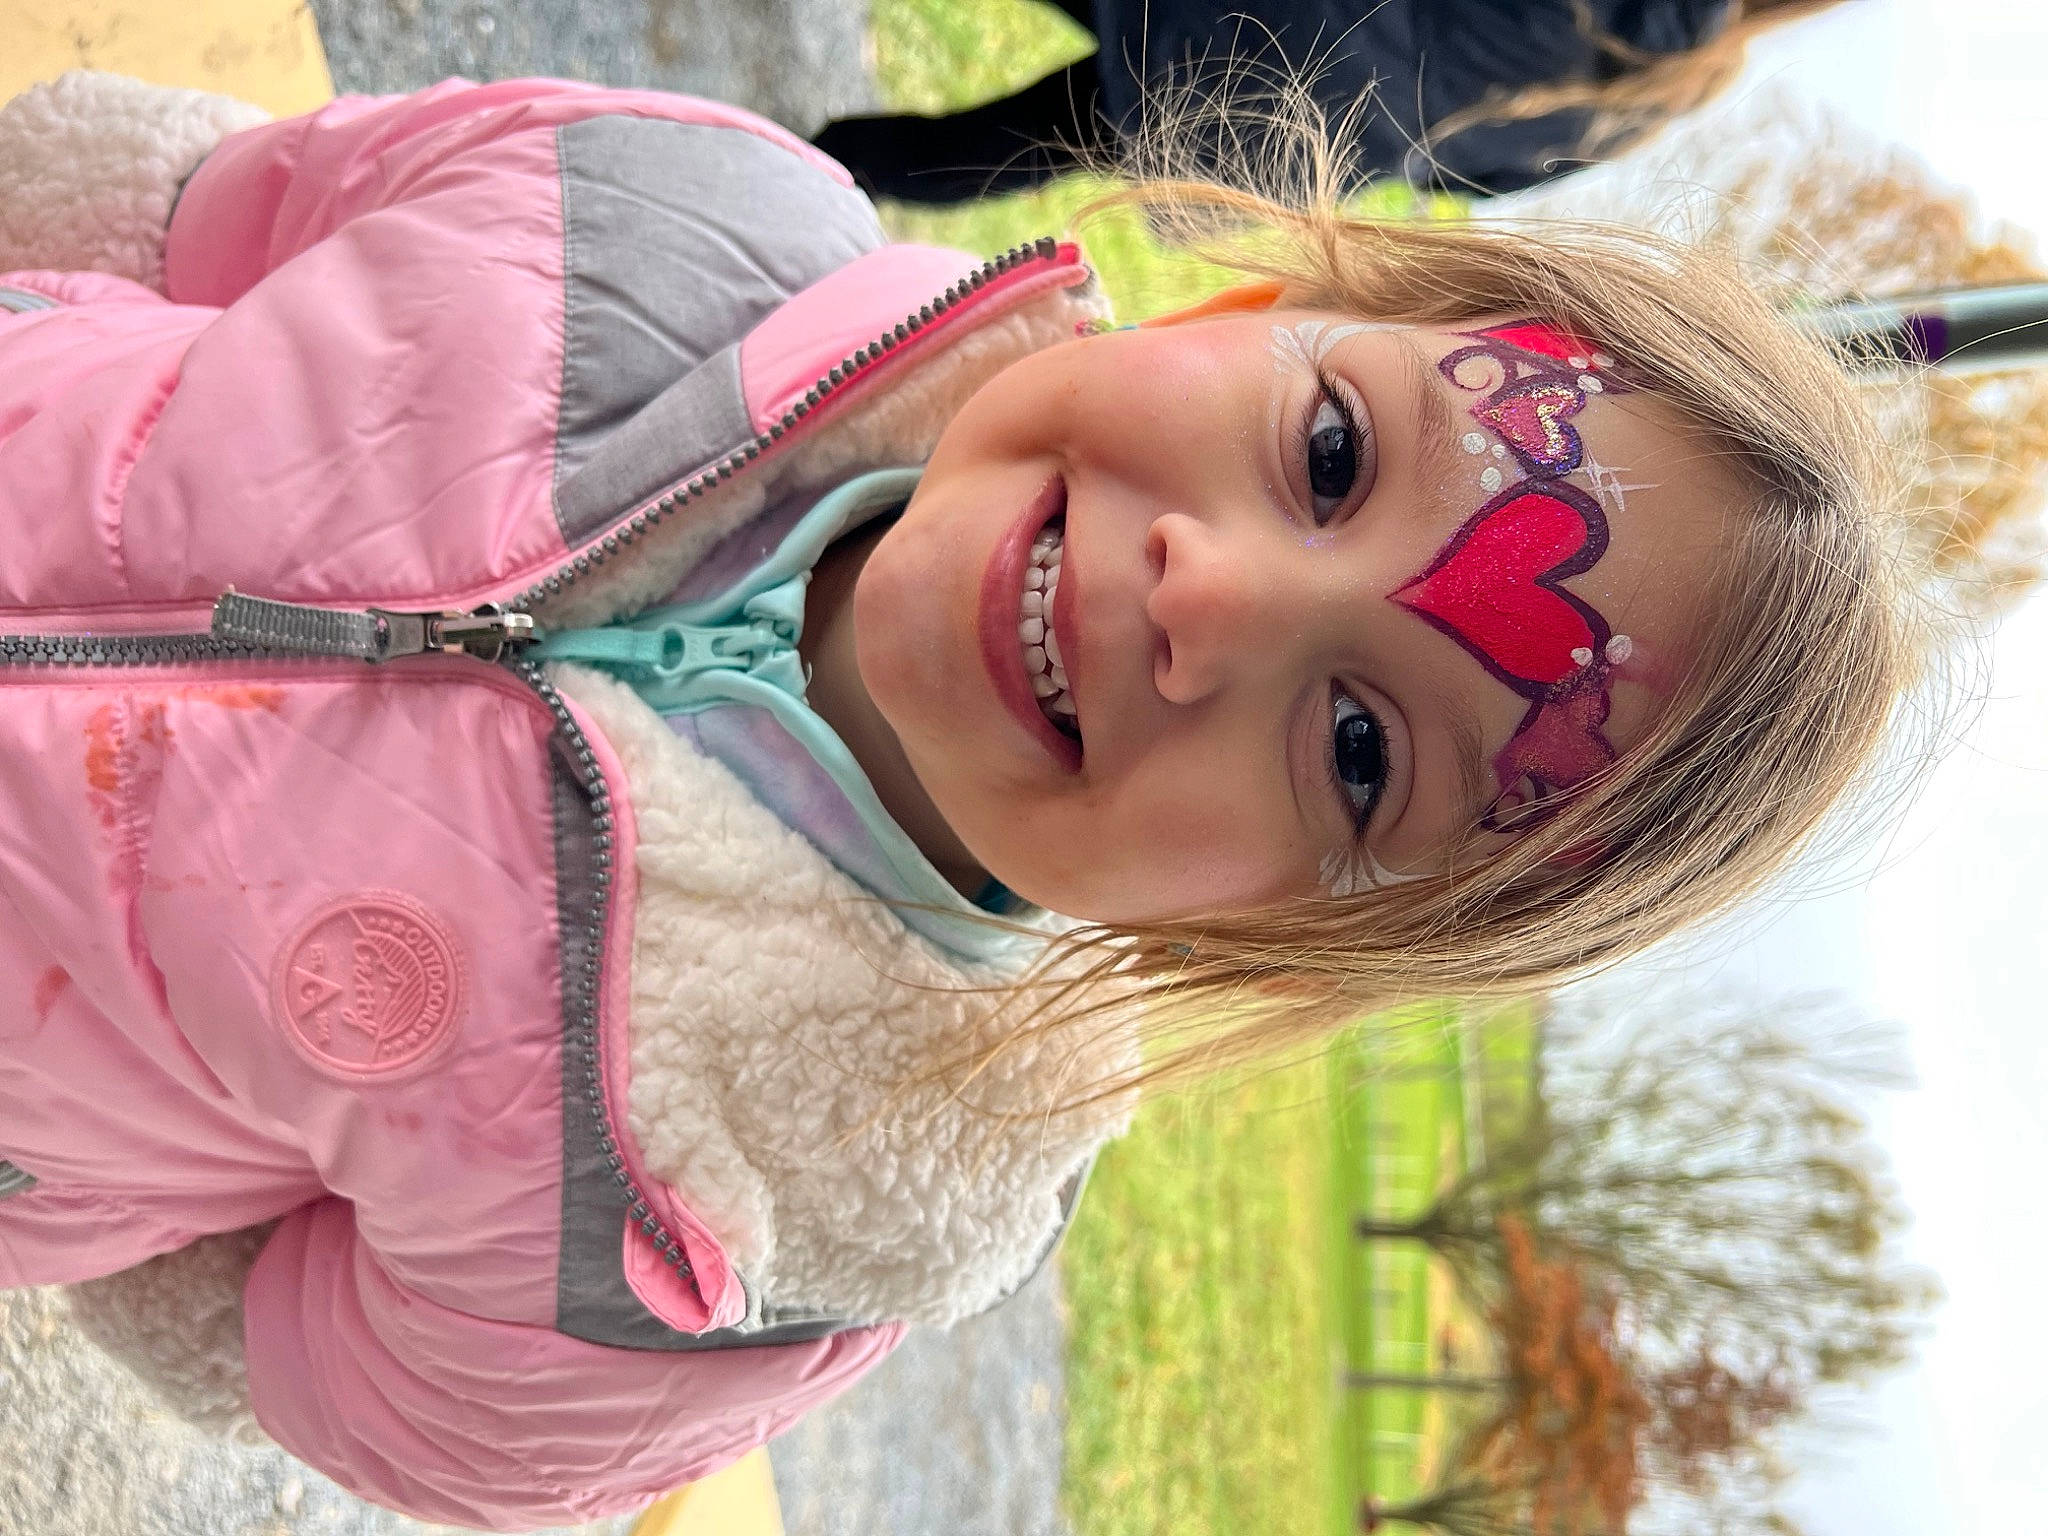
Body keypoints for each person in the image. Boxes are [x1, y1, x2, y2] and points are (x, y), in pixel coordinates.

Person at [0, 66, 1924, 1528]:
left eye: (1360, 748)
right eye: (1330, 450)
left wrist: (74, 1193)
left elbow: (346, 1377)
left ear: (1291, 924)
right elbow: (193, 206)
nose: (1212, 598)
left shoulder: (754, 1223)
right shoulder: (677, 222)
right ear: (1248, 304)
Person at [815, 0, 1844, 202]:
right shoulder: (1667, 94)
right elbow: (1479, 182)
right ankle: (805, 170)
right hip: (1289, 129)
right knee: (1021, 143)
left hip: (1277, 14)